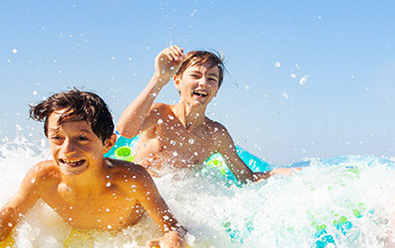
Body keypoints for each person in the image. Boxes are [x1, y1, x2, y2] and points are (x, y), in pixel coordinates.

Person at [0, 89, 190, 248]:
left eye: (82, 138)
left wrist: (173, 238)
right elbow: (4, 223)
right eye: (57, 138)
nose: (68, 150)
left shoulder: (130, 179)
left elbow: (172, 226)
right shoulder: (44, 178)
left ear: (108, 143)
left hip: (128, 237)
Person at [118, 45, 283, 180]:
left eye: (211, 79)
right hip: (141, 192)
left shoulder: (215, 134)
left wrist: (277, 174)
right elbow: (125, 131)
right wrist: (159, 79)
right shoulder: (160, 114)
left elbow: (245, 177)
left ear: (216, 90)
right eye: (195, 76)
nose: (203, 83)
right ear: (177, 81)